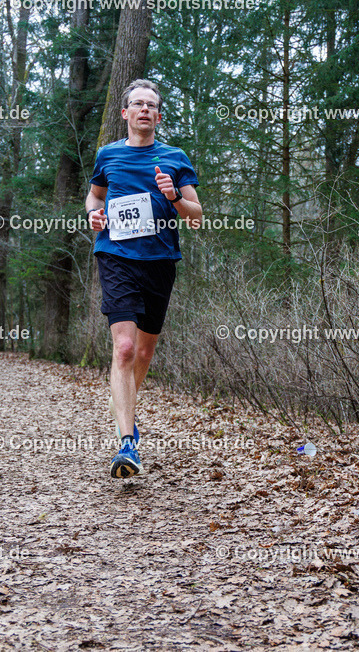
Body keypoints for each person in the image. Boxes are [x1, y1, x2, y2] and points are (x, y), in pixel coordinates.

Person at [86, 79, 202, 478]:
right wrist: (93, 214)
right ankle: (127, 443)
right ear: (125, 113)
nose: (144, 110)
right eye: (137, 104)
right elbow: (95, 196)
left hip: (159, 260)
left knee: (145, 353)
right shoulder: (108, 155)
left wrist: (173, 196)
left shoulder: (174, 157)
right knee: (123, 349)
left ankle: (125, 414)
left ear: (158, 114)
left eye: (151, 105)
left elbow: (196, 214)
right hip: (116, 255)